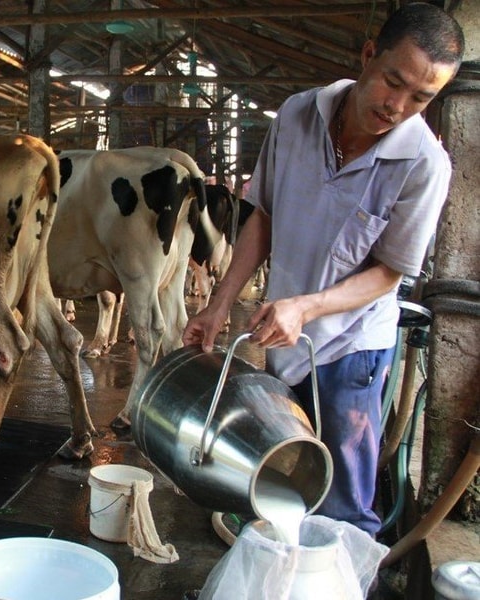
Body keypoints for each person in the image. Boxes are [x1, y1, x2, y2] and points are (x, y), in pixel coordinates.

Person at [182, 3, 464, 536]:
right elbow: (263, 217)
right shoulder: (296, 114)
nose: (396, 106)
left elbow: (390, 272)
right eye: (392, 82)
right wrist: (218, 305)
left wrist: (306, 306)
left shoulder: (425, 164)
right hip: (282, 338)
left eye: (421, 98)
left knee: (342, 499)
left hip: (349, 349)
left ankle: (347, 574)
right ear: (367, 55)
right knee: (280, 472)